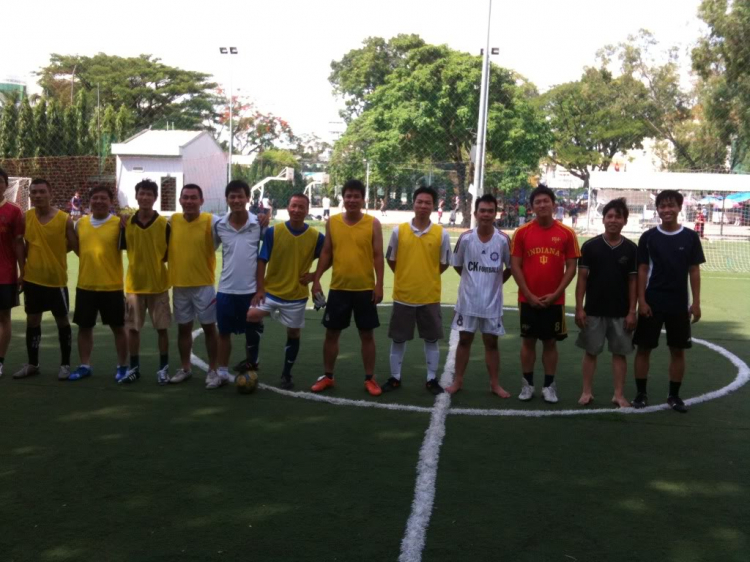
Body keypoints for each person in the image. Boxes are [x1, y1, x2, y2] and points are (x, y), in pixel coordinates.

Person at [631, 190, 705, 413]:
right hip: (652, 302)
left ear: (679, 208)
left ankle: (674, 395)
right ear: (658, 209)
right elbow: (642, 270)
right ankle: (641, 394)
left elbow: (694, 271)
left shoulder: (690, 237)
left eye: (671, 205)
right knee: (643, 348)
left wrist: (696, 302)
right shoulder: (648, 237)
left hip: (679, 305)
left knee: (678, 350)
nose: (666, 210)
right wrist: (641, 301)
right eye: (662, 206)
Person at [311, 179, 385, 395]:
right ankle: (328, 376)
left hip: (364, 289)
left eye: (356, 196)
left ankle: (370, 379)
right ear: (343, 198)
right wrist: (316, 279)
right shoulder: (332, 222)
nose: (352, 200)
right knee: (331, 334)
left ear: (363, 199)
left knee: (367, 335)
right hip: (339, 288)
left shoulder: (373, 223)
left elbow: (378, 256)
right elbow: (326, 253)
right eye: (348, 196)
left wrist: (379, 284)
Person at [511, 184, 580, 403]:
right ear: (532, 207)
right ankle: (527, 384)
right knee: (528, 341)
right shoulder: (521, 233)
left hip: (555, 300)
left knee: (550, 342)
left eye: (546, 201)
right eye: (537, 202)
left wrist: (556, 293)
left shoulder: (566, 233)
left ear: (554, 204)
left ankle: (549, 385)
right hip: (527, 299)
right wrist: (529, 295)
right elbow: (515, 266)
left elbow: (571, 267)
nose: (542, 205)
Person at [248, 193, 324, 390]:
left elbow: (329, 257)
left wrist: (314, 276)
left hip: (296, 295)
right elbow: (262, 260)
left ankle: (286, 374)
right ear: (288, 208)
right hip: (271, 291)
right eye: (294, 206)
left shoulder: (316, 237)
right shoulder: (274, 232)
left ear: (307, 211)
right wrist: (260, 288)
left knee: (293, 333)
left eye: (301, 207)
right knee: (252, 315)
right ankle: (253, 361)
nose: (297, 210)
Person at [381, 186, 451, 395]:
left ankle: (431, 378)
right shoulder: (398, 231)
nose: (423, 206)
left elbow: (444, 263)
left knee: (431, 339)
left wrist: (426, 277)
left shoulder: (441, 233)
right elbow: (391, 260)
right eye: (419, 201)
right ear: (413, 204)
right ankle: (395, 377)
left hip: (429, 296)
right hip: (404, 295)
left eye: (427, 202)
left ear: (433, 206)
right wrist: (406, 276)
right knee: (398, 339)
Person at [446, 194, 513, 396]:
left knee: (491, 343)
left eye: (490, 211)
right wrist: (472, 281)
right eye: (482, 211)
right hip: (468, 302)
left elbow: (510, 267)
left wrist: (495, 282)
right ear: (475, 213)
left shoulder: (503, 240)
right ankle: (458, 381)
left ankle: (494, 384)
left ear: (496, 214)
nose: (486, 214)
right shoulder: (466, 238)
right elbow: (457, 265)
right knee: (464, 340)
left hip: (492, 303)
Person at [574, 198, 637, 408]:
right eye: (609, 216)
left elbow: (633, 281)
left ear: (625, 221)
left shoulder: (631, 249)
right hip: (594, 310)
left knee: (619, 354)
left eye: (618, 216)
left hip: (620, 312)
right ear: (603, 220)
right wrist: (580, 308)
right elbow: (582, 279)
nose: (613, 220)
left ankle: (618, 395)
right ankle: (586, 392)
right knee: (591, 352)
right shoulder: (590, 246)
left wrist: (631, 311)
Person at [13, 179, 77, 380]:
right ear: (30, 195)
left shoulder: (64, 219)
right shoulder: (26, 217)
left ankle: (65, 365)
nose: (38, 195)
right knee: (32, 321)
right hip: (32, 280)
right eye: (34, 192)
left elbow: (75, 246)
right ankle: (33, 364)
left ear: (50, 193)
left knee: (62, 322)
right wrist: (22, 272)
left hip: (55, 281)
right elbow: (22, 245)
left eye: (42, 191)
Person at [67, 187, 128, 381]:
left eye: (104, 198)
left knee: (118, 328)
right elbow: (77, 249)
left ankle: (123, 367)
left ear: (111, 202)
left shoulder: (119, 224)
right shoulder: (81, 224)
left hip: (112, 287)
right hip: (86, 285)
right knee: (84, 328)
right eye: (95, 198)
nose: (99, 201)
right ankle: (85, 365)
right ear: (89, 201)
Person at [210, 180, 266, 389]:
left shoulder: (258, 224)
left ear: (247, 198)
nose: (236, 200)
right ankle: (222, 373)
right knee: (223, 333)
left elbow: (266, 257)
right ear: (227, 199)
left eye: (240, 196)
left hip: (251, 291)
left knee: (252, 334)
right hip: (225, 289)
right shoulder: (220, 225)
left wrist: (262, 288)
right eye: (232, 196)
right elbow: (209, 248)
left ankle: (251, 369)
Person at [120, 179, 172, 385]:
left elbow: (167, 255)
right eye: (141, 193)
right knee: (133, 328)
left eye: (149, 194)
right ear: (136, 196)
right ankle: (134, 368)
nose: (145, 197)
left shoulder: (164, 224)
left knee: (162, 329)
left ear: (155, 198)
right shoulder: (127, 224)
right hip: (134, 285)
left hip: (158, 285)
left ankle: (163, 369)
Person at [167, 184, 219, 384]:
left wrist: (260, 219)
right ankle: (185, 367)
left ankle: (213, 370)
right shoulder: (172, 221)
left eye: (193, 198)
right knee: (183, 329)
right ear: (180, 200)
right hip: (179, 285)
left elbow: (234, 226)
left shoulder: (211, 221)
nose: (189, 201)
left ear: (201, 201)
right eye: (185, 197)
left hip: (203, 286)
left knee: (209, 329)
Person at [0, 169, 25, 378]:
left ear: (6, 185)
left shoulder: (14, 211)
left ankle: (0, 361)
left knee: (3, 318)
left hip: (4, 274)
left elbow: (18, 243)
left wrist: (22, 271)